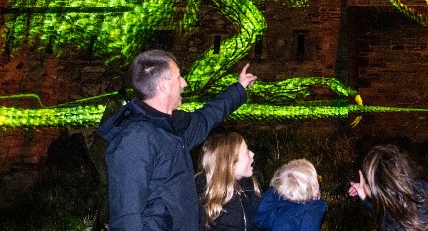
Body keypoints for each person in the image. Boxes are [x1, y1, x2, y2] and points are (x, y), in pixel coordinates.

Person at [97, 49, 256, 231]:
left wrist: (239, 89)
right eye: (179, 77)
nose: (184, 83)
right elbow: (126, 216)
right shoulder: (135, 139)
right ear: (164, 86)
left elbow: (207, 116)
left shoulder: (173, 130)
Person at [348, 145, 428, 231]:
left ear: (376, 188)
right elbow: (393, 209)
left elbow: (391, 216)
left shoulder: (392, 227)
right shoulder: (425, 196)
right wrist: (365, 198)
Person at [196, 131, 261, 231]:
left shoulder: (251, 188)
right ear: (231, 163)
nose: (252, 154)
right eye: (247, 152)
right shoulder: (202, 198)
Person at [254, 159, 328, 231]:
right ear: (314, 188)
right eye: (317, 179)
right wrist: (315, 204)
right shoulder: (307, 218)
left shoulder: (274, 205)